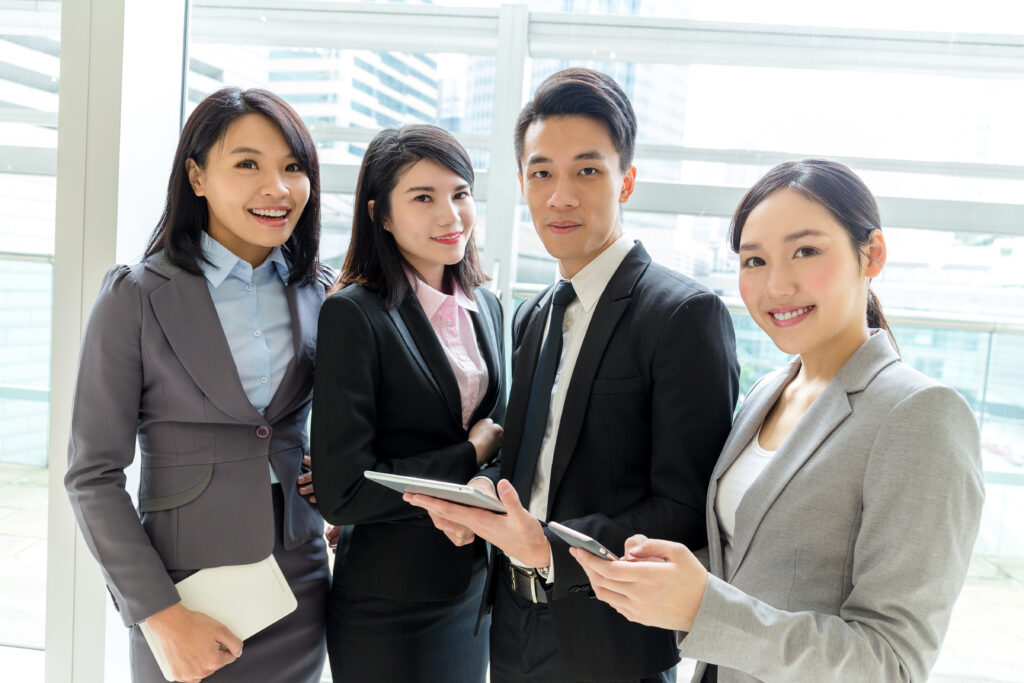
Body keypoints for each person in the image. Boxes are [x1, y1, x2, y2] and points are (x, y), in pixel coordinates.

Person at [570, 159, 985, 683]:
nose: (776, 286)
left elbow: (891, 663)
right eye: (754, 260)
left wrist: (703, 609)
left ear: (872, 254)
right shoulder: (767, 392)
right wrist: (652, 572)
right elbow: (755, 568)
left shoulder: (920, 415)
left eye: (805, 251)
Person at [406, 68, 739, 683]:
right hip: (511, 628)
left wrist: (550, 546)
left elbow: (690, 511)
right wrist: (485, 494)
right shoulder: (534, 314)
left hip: (611, 641)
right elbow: (531, 462)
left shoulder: (683, 316)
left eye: (587, 171)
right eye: (542, 173)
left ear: (627, 181)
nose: (560, 196)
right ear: (522, 184)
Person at [64, 87, 331, 683]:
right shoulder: (135, 296)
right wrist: (159, 615)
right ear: (197, 175)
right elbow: (92, 474)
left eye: (294, 167)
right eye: (248, 164)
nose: (278, 188)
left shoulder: (321, 291)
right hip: (187, 594)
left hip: (299, 584)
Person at [310, 123, 505, 683]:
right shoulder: (355, 314)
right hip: (388, 605)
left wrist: (481, 486)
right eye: (424, 197)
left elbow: (507, 433)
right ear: (382, 214)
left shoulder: (487, 307)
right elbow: (343, 492)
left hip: (473, 589)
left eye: (460, 193)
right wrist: (468, 457)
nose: (451, 215)